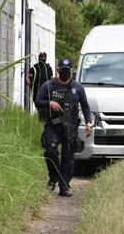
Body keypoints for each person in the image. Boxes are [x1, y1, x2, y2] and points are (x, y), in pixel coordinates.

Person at [35, 58, 93, 197]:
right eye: (63, 70)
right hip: (53, 125)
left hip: (71, 127)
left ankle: (64, 186)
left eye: (68, 70)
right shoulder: (48, 85)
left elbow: (85, 106)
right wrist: (50, 103)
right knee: (50, 152)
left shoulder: (78, 88)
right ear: (58, 70)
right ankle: (53, 177)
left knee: (68, 157)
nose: (65, 72)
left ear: (72, 71)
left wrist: (89, 124)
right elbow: (38, 101)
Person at [27, 52, 53, 120]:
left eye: (43, 57)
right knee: (38, 106)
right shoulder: (35, 67)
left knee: (45, 108)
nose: (42, 58)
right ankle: (41, 119)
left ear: (46, 58)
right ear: (38, 58)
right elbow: (28, 74)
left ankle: (44, 119)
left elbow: (52, 79)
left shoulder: (48, 68)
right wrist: (29, 81)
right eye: (41, 57)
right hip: (36, 91)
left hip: (46, 92)